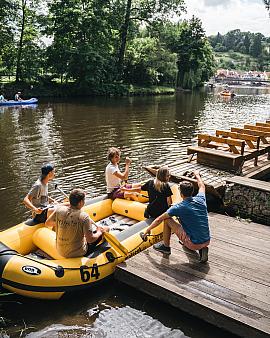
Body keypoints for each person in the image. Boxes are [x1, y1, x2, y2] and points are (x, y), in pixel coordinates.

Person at [142, 171, 210, 263]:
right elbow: (202, 186)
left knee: (167, 219)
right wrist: (197, 175)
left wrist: (147, 230)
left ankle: (166, 247)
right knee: (184, 218)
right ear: (192, 191)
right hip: (206, 240)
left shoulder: (179, 207)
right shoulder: (201, 199)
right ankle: (202, 248)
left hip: (194, 243)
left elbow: (159, 219)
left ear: (181, 194)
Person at [45, 188, 109, 258]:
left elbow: (47, 223)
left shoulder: (59, 210)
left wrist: (65, 223)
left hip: (60, 250)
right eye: (84, 200)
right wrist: (100, 231)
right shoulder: (84, 216)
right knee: (106, 228)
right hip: (77, 252)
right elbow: (90, 240)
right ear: (81, 202)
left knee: (83, 235)